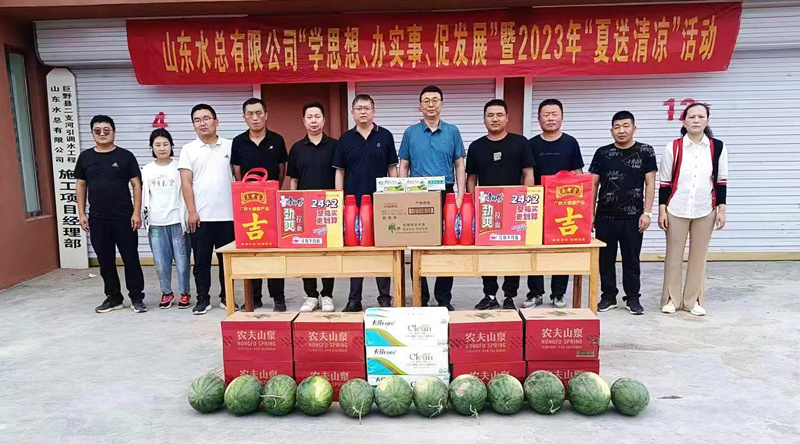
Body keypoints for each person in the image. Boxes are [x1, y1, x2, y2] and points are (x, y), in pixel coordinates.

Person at [398, 85, 466, 312]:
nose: (431, 104)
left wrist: (459, 195)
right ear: (420, 106)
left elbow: (459, 164)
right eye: (426, 100)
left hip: (445, 193)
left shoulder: (452, 131)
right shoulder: (410, 133)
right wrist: (403, 195)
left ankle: (443, 297)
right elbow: (404, 165)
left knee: (447, 244)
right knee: (417, 246)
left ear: (442, 104)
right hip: (417, 194)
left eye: (435, 100)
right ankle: (421, 296)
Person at [658, 103, 728, 316]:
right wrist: (662, 210)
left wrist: (721, 210)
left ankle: (693, 301)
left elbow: (721, 181)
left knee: (699, 256)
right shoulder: (673, 147)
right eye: (691, 117)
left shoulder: (717, 147)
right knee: (673, 255)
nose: (696, 120)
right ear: (684, 121)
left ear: (707, 120)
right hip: (676, 208)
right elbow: (664, 182)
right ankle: (671, 299)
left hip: (705, 209)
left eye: (701, 116)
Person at [466, 99, 535, 310]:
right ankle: (489, 294)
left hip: (514, 208)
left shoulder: (520, 143)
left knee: (512, 253)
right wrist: (474, 204)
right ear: (484, 119)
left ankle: (509, 296)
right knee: (487, 253)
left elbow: (528, 174)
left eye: (499, 115)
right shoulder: (476, 147)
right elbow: (471, 178)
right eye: (490, 115)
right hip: (487, 209)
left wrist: (525, 202)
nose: (494, 119)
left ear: (507, 118)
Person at [333, 94, 399, 312]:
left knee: (382, 249)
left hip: (381, 204)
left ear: (374, 112)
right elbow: (340, 172)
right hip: (353, 204)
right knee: (356, 250)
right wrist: (340, 200)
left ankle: (384, 297)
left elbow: (392, 168)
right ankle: (354, 299)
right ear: (352, 112)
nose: (363, 112)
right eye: (359, 108)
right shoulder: (345, 139)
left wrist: (394, 196)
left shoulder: (385, 136)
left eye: (367, 108)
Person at [75, 115, 146, 314]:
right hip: (97, 218)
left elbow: (136, 185)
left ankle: (137, 298)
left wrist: (136, 212)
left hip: (124, 217)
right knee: (105, 261)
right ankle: (114, 298)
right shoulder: (85, 157)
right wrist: (81, 213)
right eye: (97, 131)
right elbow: (81, 185)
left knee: (130, 258)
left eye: (106, 130)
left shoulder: (125, 156)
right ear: (92, 133)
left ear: (114, 132)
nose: (102, 134)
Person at [589, 111, 657, 315]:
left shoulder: (645, 151)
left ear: (634, 129)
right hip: (605, 216)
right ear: (611, 130)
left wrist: (647, 213)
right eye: (617, 127)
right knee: (605, 260)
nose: (621, 130)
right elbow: (593, 185)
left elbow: (650, 183)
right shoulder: (602, 153)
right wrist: (590, 214)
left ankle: (633, 298)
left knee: (632, 259)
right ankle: (608, 296)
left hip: (633, 217)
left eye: (626, 126)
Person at [230, 97, 288, 312]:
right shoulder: (238, 142)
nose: (255, 118)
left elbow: (281, 171)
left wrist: (271, 193)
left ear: (266, 115)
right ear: (244, 117)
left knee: (274, 250)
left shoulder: (277, 140)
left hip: (271, 204)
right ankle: (254, 297)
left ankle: (278, 297)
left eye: (258, 113)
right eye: (250, 114)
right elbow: (237, 173)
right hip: (248, 206)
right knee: (251, 250)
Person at [526, 98, 584, 309]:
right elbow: (527, 175)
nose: (550, 118)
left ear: (562, 117)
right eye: (546, 115)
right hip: (538, 205)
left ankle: (558, 293)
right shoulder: (531, 144)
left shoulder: (570, 143)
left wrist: (582, 204)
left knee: (562, 249)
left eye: (554, 114)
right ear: (539, 119)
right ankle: (535, 293)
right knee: (535, 248)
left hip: (565, 206)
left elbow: (578, 174)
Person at [178, 104, 235, 315]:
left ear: (216, 121)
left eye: (206, 118)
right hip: (201, 216)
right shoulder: (188, 149)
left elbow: (238, 177)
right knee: (201, 261)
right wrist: (192, 212)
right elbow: (186, 183)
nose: (202, 123)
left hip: (228, 215)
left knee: (226, 262)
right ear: (193, 125)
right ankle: (203, 298)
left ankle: (227, 297)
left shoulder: (230, 146)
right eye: (197, 120)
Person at [288, 102, 338, 313]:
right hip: (304, 208)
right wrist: (293, 205)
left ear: (324, 120)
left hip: (328, 207)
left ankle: (327, 295)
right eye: (309, 117)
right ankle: (310, 295)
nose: (314, 121)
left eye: (317, 116)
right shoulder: (297, 148)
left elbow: (339, 175)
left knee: (328, 251)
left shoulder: (335, 146)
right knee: (306, 251)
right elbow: (293, 179)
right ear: (303, 121)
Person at [142, 128, 191, 309]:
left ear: (171, 146)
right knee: (160, 262)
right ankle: (166, 292)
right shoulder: (147, 169)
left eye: (165, 144)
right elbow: (143, 195)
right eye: (157, 145)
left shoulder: (179, 167)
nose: (162, 148)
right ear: (152, 147)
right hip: (156, 223)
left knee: (182, 261)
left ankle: (184, 292)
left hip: (177, 221)